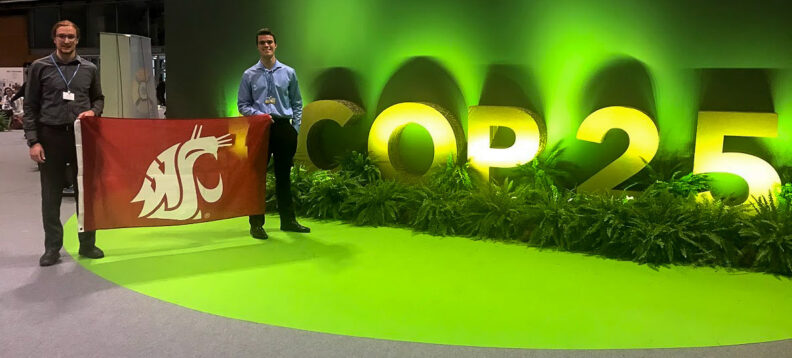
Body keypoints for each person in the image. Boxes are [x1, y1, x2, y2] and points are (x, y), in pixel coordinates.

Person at [23, 20, 105, 266]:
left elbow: (98, 99)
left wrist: (93, 112)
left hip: (82, 138)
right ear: (54, 39)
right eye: (62, 36)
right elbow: (30, 106)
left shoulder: (89, 68)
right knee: (51, 196)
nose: (66, 41)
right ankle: (52, 248)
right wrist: (33, 141)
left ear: (77, 40)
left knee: (85, 194)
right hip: (51, 137)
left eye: (71, 36)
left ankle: (87, 244)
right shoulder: (40, 67)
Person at [238, 27, 310, 240]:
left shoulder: (289, 72)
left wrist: (294, 129)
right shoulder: (249, 75)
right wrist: (259, 116)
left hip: (283, 128)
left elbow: (297, 103)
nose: (266, 45)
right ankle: (256, 225)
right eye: (262, 43)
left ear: (275, 45)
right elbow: (242, 104)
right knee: (257, 177)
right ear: (258, 47)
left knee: (283, 178)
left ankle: (288, 221)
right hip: (259, 130)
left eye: (269, 42)